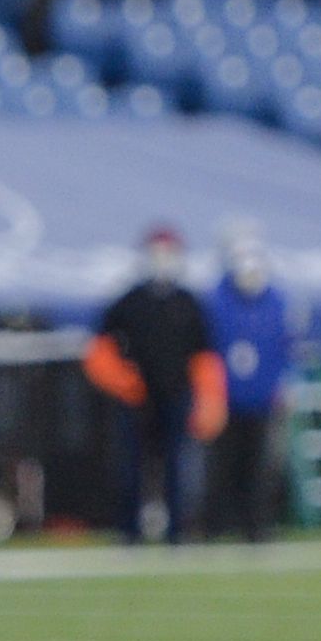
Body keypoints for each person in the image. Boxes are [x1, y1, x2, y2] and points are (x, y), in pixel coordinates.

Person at [82, 224, 221, 542]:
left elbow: (204, 356)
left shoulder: (188, 303)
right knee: (131, 468)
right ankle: (129, 532)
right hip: (136, 400)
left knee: (177, 467)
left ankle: (177, 533)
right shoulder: (128, 302)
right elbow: (99, 351)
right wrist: (122, 381)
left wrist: (208, 398)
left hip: (175, 395)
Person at [202, 226, 295, 541]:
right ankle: (215, 526)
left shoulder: (276, 302)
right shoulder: (216, 300)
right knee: (221, 466)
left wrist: (284, 384)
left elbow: (286, 349)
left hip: (262, 399)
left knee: (259, 467)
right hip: (225, 398)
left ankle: (256, 526)